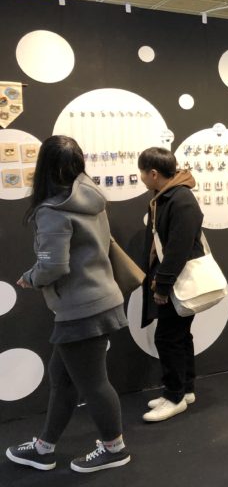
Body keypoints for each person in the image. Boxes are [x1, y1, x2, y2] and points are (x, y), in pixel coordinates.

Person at [6, 135, 130, 473]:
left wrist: (30, 278)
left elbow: (54, 266)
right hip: (98, 300)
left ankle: (114, 448)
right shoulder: (92, 197)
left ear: (43, 166)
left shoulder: (52, 211)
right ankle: (44, 447)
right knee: (62, 378)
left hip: (81, 309)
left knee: (93, 383)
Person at [138, 147, 204, 423]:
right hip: (173, 281)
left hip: (175, 283)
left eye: (142, 172)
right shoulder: (166, 197)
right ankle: (185, 389)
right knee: (179, 336)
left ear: (153, 173)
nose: (141, 177)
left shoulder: (181, 200)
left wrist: (162, 286)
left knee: (167, 338)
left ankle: (174, 396)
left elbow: (178, 249)